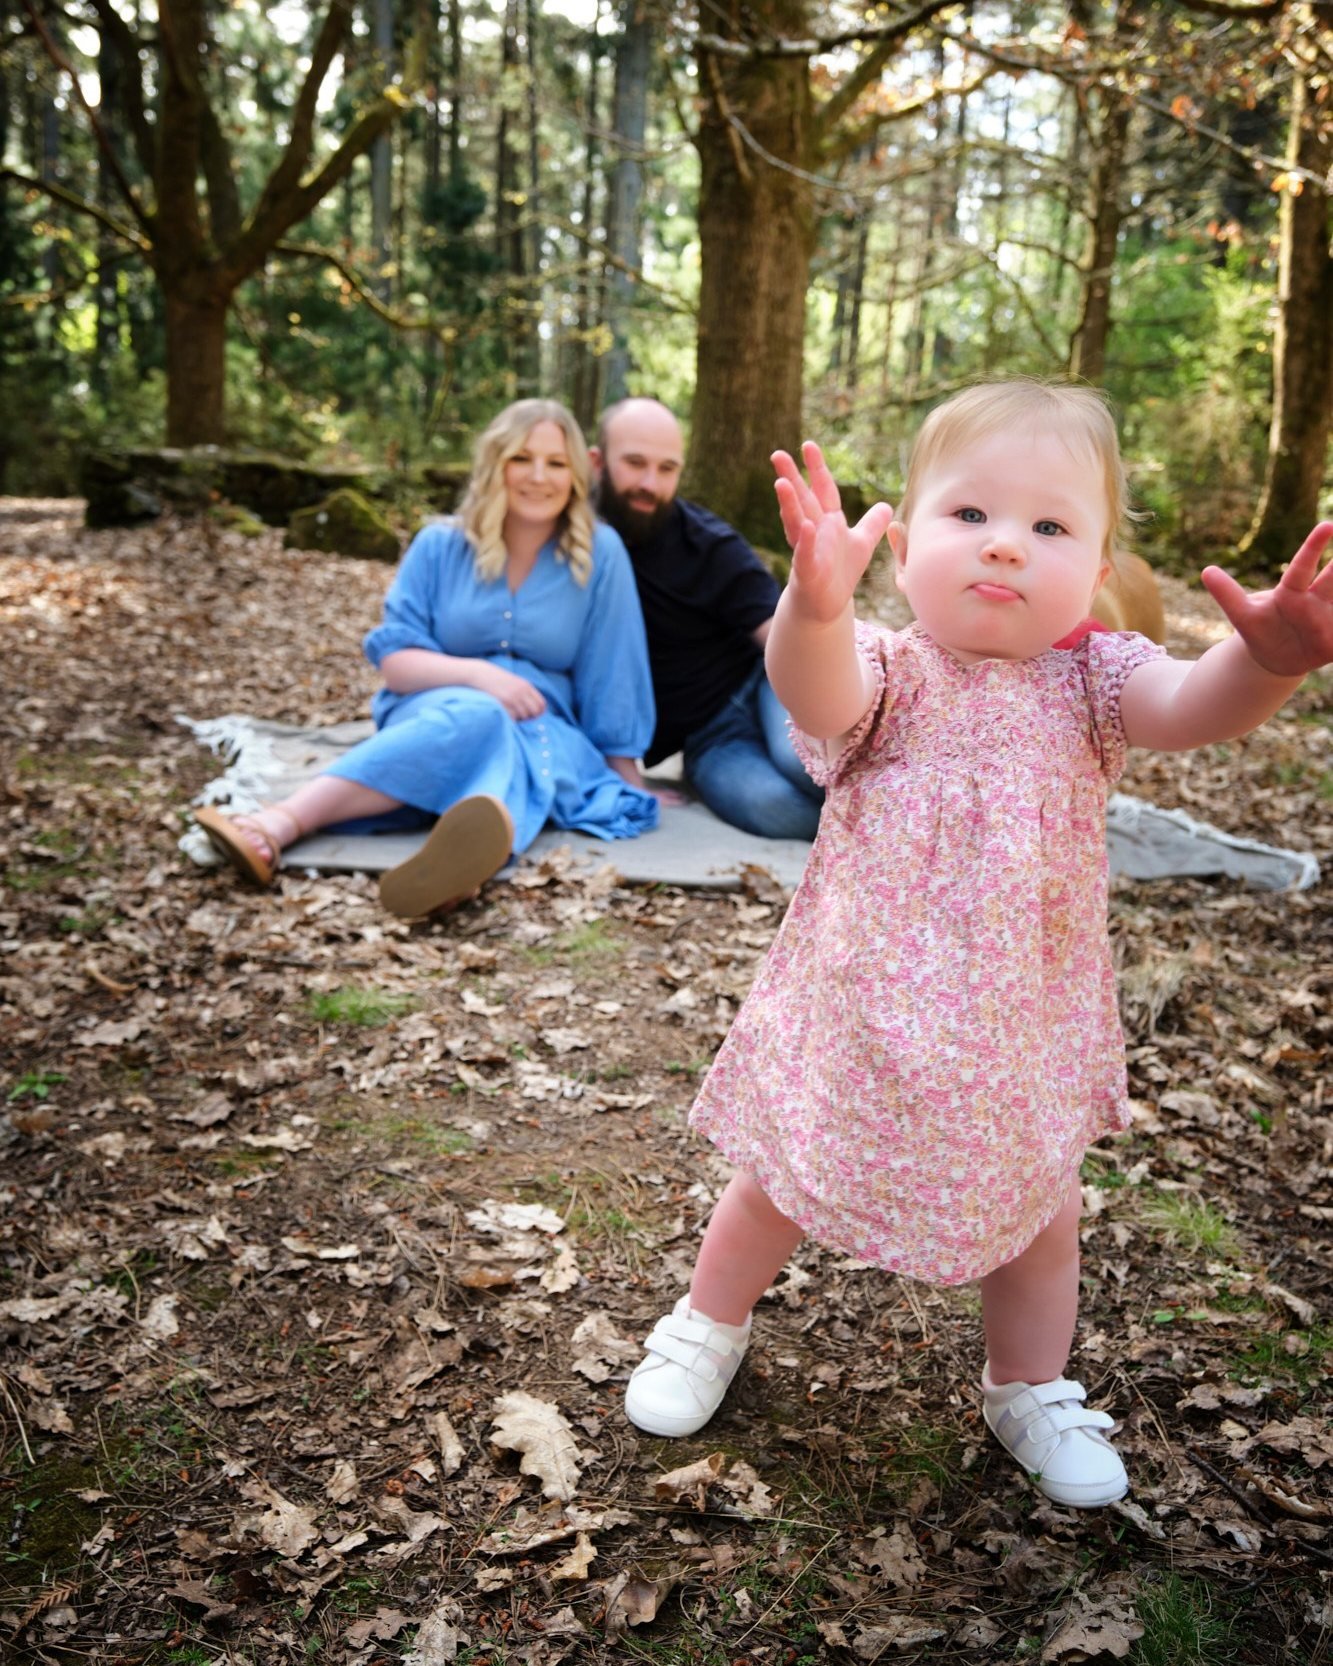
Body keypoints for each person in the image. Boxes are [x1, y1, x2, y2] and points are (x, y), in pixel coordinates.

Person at [623, 380, 1333, 1507]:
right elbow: (816, 688)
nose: (1005, 545)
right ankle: (710, 1321)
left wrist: (1273, 661)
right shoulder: (890, 670)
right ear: (901, 547)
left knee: (1041, 1216)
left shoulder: (1098, 684)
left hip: (1020, 1024)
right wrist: (811, 605)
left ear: (1095, 574)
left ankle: (1026, 1384)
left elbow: (1195, 706)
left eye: (1050, 527)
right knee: (778, 1181)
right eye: (970, 515)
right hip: (860, 1011)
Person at [194, 399, 659, 916]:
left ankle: (456, 863)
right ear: (494, 463)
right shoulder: (439, 545)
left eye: (555, 463)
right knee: (482, 716)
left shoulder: (600, 552)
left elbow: (614, 667)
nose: (538, 476)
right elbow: (396, 660)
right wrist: (481, 676)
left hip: (540, 723)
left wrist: (625, 773)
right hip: (433, 707)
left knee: (521, 746)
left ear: (576, 473)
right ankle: (286, 821)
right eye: (521, 458)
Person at [590, 398, 824, 840]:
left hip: (766, 683)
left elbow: (785, 636)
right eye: (635, 463)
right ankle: (880, 837)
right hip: (709, 740)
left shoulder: (706, 544)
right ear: (596, 462)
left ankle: (931, 841)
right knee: (774, 808)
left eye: (666, 469)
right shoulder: (573, 546)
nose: (649, 483)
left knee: (805, 763)